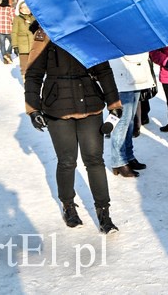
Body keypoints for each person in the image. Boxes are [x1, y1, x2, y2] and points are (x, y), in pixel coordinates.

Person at [24, 21, 122, 233]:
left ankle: (104, 212)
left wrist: (114, 103)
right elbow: (33, 74)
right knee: (67, 161)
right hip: (57, 107)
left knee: (94, 160)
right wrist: (32, 109)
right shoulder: (45, 34)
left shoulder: (87, 30)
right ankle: (68, 205)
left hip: (90, 103)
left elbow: (103, 70)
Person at [107, 53, 155, 177]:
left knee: (130, 122)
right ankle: (118, 161)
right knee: (122, 123)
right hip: (123, 79)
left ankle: (128, 156)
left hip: (136, 77)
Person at [11, 2, 35, 78]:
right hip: (22, 46)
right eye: (24, 7)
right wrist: (15, 45)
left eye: (28, 7)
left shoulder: (35, 18)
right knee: (24, 67)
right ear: (20, 9)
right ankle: (26, 84)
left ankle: (34, 85)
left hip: (35, 46)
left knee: (35, 67)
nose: (26, 9)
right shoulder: (17, 19)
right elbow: (14, 32)